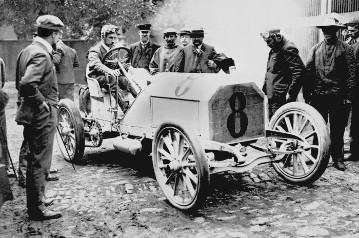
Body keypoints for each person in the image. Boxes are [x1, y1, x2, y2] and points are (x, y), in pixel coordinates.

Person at [15, 14, 64, 220]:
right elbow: (27, 84)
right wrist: (42, 101)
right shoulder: (43, 54)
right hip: (42, 114)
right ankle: (37, 208)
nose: (60, 36)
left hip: (32, 113)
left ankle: (39, 198)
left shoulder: (28, 50)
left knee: (35, 157)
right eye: (59, 33)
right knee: (40, 161)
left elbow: (20, 82)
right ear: (53, 34)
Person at [304, 16, 357, 171]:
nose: (329, 33)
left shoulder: (346, 49)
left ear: (337, 31)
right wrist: (308, 94)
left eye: (332, 30)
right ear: (322, 31)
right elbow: (308, 72)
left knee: (337, 129)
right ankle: (316, 156)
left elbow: (352, 74)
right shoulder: (315, 49)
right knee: (317, 128)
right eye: (326, 30)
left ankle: (337, 158)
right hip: (319, 96)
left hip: (338, 97)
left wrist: (348, 96)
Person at [87, 24, 137, 113]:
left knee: (125, 80)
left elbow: (115, 64)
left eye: (115, 38)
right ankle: (124, 107)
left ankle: (138, 100)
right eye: (111, 38)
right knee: (112, 78)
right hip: (97, 77)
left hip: (110, 76)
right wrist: (109, 71)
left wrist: (123, 66)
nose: (113, 41)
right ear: (103, 37)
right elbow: (96, 64)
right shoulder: (95, 50)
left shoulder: (113, 49)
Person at [260, 29, 306, 118]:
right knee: (273, 128)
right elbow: (271, 71)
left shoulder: (288, 48)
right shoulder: (275, 48)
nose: (267, 44)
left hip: (281, 99)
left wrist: (291, 94)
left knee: (282, 129)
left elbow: (299, 72)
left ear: (276, 36)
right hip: (273, 97)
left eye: (269, 41)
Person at [53, 33, 80, 101]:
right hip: (70, 80)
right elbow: (76, 64)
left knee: (61, 101)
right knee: (69, 102)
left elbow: (56, 61)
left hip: (60, 80)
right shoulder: (72, 50)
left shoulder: (57, 48)